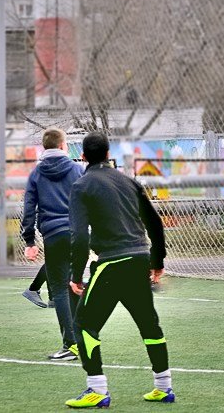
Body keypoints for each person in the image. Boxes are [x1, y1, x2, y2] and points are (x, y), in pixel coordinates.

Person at [65, 132, 174, 408]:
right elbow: (155, 223)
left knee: (84, 326)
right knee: (149, 323)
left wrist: (76, 276)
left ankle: (97, 390)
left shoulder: (82, 185)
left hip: (112, 263)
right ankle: (163, 387)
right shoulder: (129, 181)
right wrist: (157, 261)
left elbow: (78, 236)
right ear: (107, 153)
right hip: (139, 260)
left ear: (84, 157)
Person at [21, 127, 84, 360]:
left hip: (53, 234)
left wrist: (29, 240)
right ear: (62, 145)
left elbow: (29, 209)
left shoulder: (36, 174)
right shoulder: (78, 169)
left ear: (44, 147)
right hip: (78, 234)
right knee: (74, 283)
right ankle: (81, 338)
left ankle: (71, 344)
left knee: (59, 289)